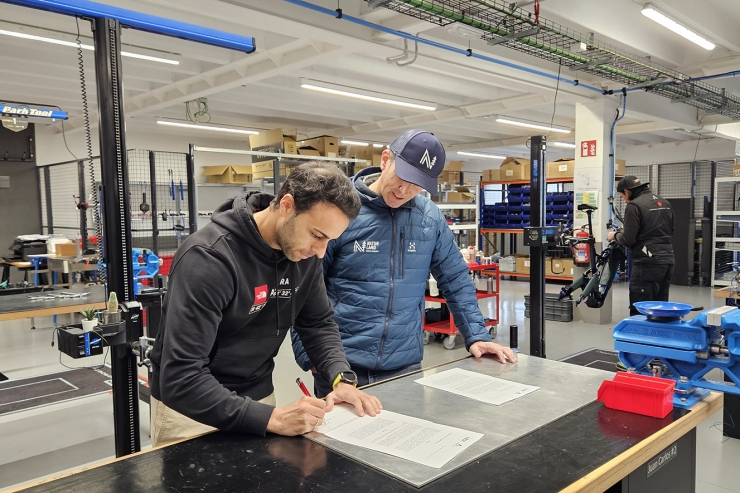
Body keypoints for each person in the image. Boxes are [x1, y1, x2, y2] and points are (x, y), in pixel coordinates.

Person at [149, 162, 382, 448]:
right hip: (193, 413)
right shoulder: (208, 259)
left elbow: (317, 323)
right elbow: (180, 378)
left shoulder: (305, 257)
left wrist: (340, 378)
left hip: (260, 400)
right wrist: (272, 419)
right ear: (286, 205)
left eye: (329, 241)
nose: (320, 251)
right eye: (317, 235)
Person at [292, 129, 517, 397]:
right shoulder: (341, 211)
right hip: (341, 368)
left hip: (406, 366)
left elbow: (455, 279)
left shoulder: (429, 218)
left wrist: (477, 335)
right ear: (385, 159)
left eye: (417, 184)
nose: (405, 190)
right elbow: (304, 287)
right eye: (403, 177)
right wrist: (313, 358)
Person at [606, 175, 674, 316]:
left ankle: (639, 336)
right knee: (660, 307)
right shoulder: (665, 202)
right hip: (667, 260)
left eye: (622, 196)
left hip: (647, 262)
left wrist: (615, 236)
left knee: (641, 308)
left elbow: (628, 240)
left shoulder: (634, 206)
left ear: (627, 191)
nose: (624, 201)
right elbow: (669, 230)